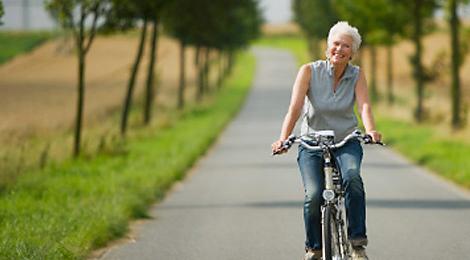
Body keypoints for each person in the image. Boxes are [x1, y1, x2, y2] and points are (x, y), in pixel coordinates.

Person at [271, 21, 382, 260]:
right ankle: (314, 247)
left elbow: (364, 106)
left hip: (346, 141)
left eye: (346, 46)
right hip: (311, 143)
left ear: (352, 53)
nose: (339, 49)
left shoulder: (357, 75)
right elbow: (295, 107)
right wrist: (283, 138)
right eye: (336, 43)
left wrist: (371, 130)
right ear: (327, 46)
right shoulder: (309, 71)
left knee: (352, 179)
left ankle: (357, 242)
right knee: (313, 194)